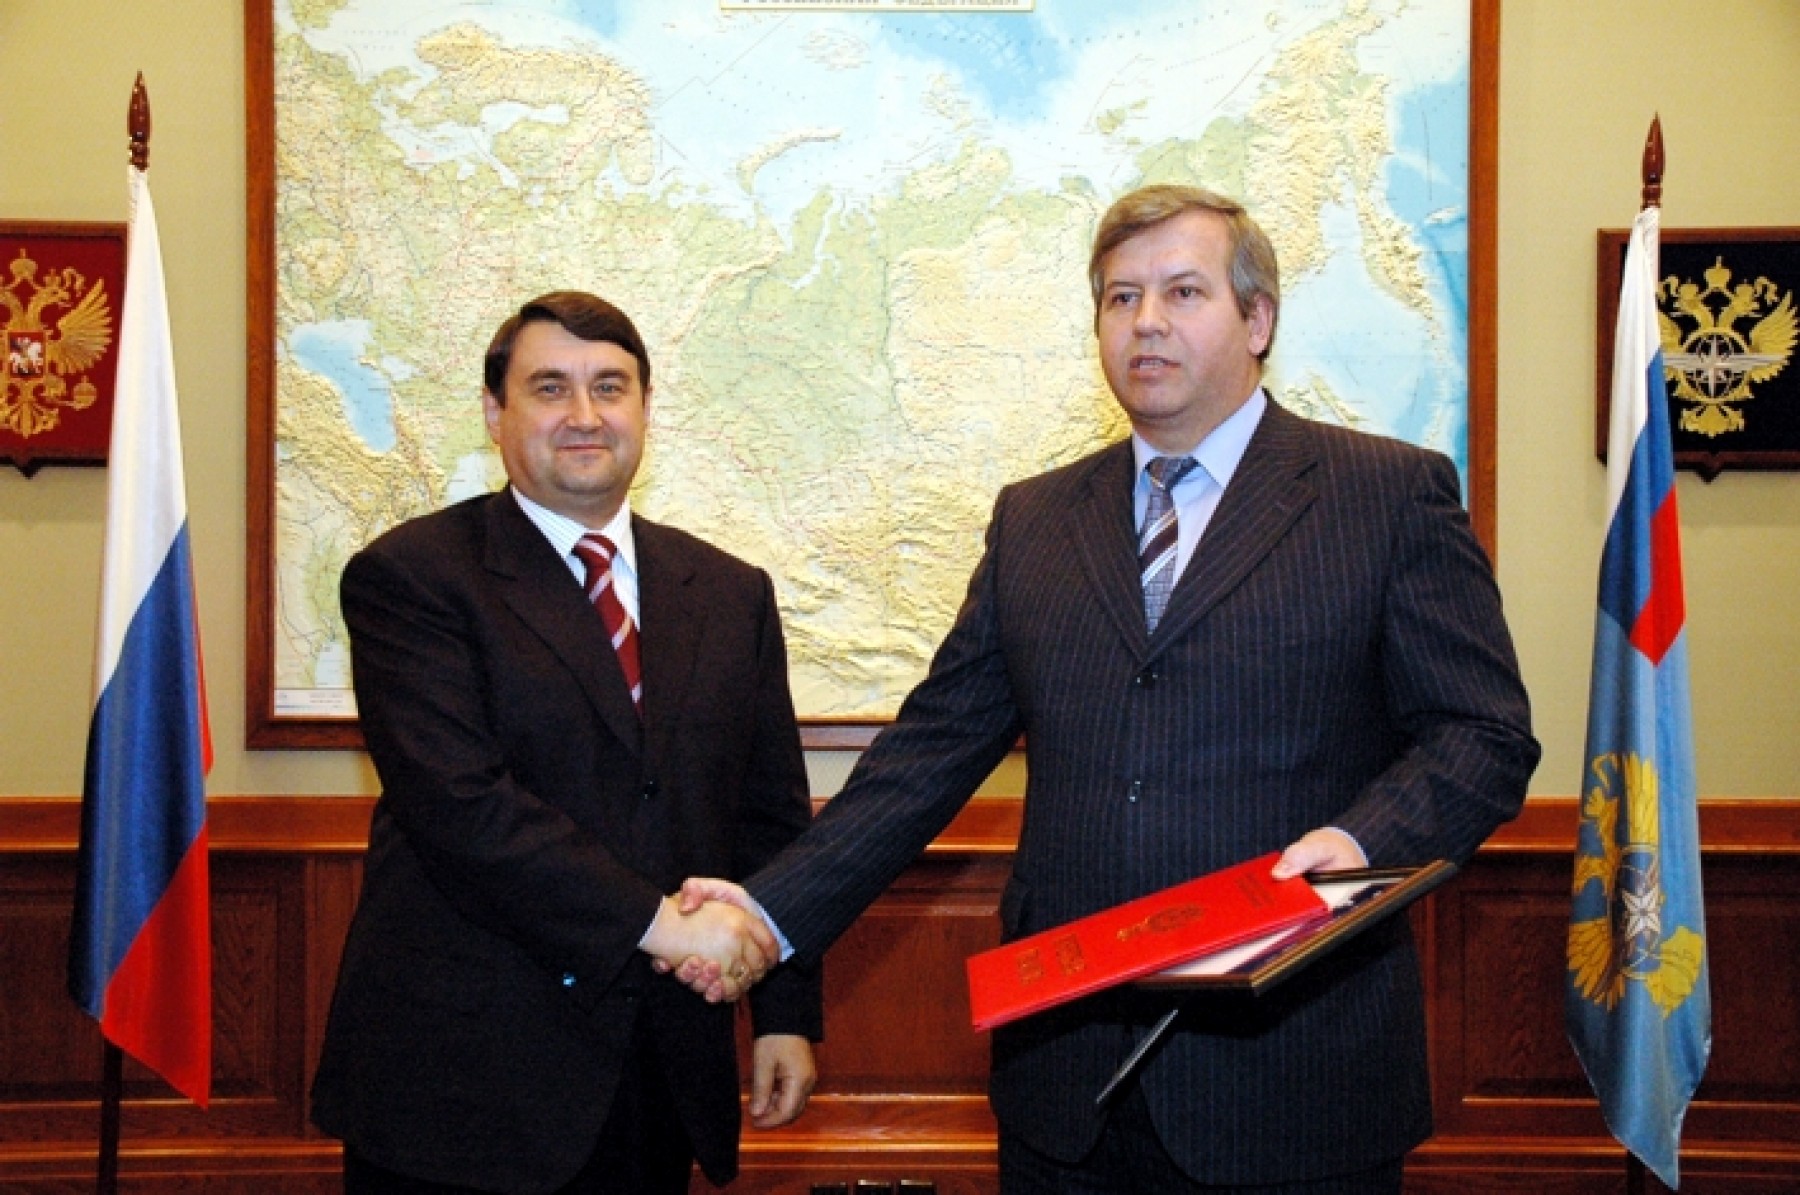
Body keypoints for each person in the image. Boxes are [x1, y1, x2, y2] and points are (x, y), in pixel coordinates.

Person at [679, 185, 1540, 1193]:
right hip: (1067, 1088)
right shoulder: (1036, 521)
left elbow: (1483, 733)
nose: (1147, 321)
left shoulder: (1386, 496)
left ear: (1258, 319)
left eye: (1184, 291)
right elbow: (927, 756)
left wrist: (1361, 844)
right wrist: (766, 912)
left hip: (1292, 1080)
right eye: (1121, 297)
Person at [310, 291, 821, 1195]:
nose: (584, 414)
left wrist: (785, 1011)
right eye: (550, 387)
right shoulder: (411, 578)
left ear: (646, 409)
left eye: (610, 387)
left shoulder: (729, 591)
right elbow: (463, 809)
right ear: (494, 412)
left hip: (659, 1071)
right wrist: (667, 925)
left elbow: (769, 816)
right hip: (465, 1088)